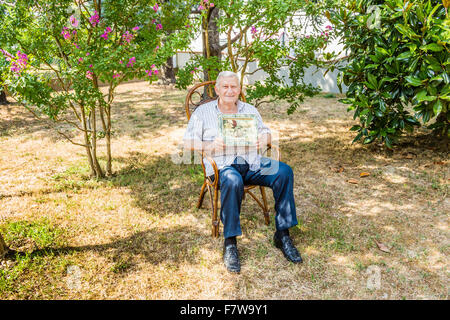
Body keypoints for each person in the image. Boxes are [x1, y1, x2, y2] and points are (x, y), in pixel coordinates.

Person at [183, 71, 302, 273]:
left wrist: (264, 139)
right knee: (232, 180)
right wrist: (210, 145)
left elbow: (266, 132)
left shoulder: (250, 110)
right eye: (226, 87)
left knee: (284, 171)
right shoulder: (203, 113)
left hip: (252, 163)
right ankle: (230, 243)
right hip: (222, 167)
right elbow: (187, 142)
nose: (230, 90)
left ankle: (283, 234)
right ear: (217, 89)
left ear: (239, 89)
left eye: (234, 87)